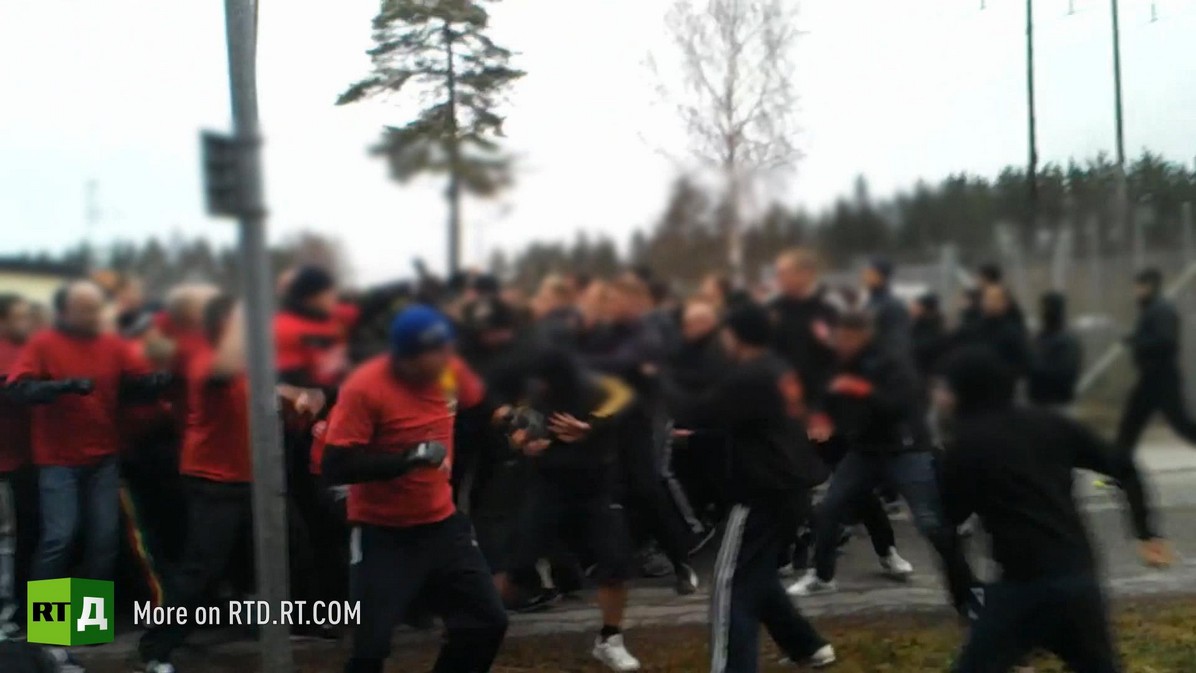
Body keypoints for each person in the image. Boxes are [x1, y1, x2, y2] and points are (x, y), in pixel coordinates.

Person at [936, 346, 1170, 673]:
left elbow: (947, 521)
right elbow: (1124, 466)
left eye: (944, 388)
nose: (938, 396)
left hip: (1022, 590)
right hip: (1077, 579)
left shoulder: (964, 445)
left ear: (965, 390)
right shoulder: (1049, 423)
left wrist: (964, 591)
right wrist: (1146, 532)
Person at [138, 296, 327, 673]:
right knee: (199, 568)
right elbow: (219, 374)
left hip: (252, 477)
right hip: (209, 478)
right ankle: (151, 649)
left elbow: (264, 390)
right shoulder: (204, 356)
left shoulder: (246, 362)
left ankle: (298, 619)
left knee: (294, 546)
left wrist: (299, 396)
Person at [322, 306, 508, 673]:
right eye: (435, 353)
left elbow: (483, 404)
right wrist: (406, 460)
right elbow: (336, 466)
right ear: (407, 358)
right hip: (383, 533)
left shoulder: (450, 370)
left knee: (486, 623)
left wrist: (513, 423)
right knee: (370, 648)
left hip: (442, 524)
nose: (447, 360)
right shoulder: (365, 387)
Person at [668, 304, 835, 672]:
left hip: (761, 494)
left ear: (736, 336)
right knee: (756, 577)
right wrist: (693, 440)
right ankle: (807, 646)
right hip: (788, 488)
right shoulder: (776, 369)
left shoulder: (748, 377)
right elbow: (751, 428)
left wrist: (651, 382)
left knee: (729, 587)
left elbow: (697, 408)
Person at [788, 312, 976, 617]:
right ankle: (821, 576)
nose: (842, 344)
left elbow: (899, 405)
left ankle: (968, 591)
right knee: (830, 508)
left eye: (847, 338)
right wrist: (822, 417)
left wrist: (863, 391)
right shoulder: (843, 363)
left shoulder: (892, 361)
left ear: (862, 334)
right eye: (839, 338)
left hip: (905, 450)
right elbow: (829, 396)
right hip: (864, 450)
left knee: (932, 523)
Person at [5, 281, 170, 584]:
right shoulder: (44, 344)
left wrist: (163, 380)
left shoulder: (112, 345)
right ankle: (51, 622)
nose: (93, 316)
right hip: (57, 458)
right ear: (66, 312)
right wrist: (60, 386)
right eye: (84, 310)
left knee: (103, 539)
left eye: (96, 309)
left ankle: (87, 621)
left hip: (103, 455)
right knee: (60, 537)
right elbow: (18, 389)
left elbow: (136, 383)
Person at [495, 348, 644, 671]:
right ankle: (480, 625)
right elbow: (517, 431)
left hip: (595, 486)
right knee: (518, 563)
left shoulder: (596, 387)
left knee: (614, 562)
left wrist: (589, 427)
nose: (541, 388)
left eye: (546, 382)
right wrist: (522, 443)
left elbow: (625, 402)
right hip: (548, 486)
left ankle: (610, 639)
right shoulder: (534, 393)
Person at [1112, 268, 1196, 540]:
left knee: (1181, 424)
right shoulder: (1152, 309)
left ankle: (1116, 464)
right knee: (1129, 426)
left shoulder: (1161, 310)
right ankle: (1115, 466)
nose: (1136, 290)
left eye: (1139, 285)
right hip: (1151, 378)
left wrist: (1137, 340)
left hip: (1161, 379)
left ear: (1150, 286)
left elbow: (1166, 342)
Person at [0, 294, 35, 635]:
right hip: (6, 462)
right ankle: (8, 618)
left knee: (44, 539)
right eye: (19, 317)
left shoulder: (36, 347)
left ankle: (70, 623)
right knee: (7, 541)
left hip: (36, 459)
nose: (27, 322)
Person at [1028, 292, 1082, 410]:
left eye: (1048, 308)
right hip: (1038, 400)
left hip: (1058, 402)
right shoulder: (1040, 336)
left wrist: (1030, 367)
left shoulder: (1067, 340)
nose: (1045, 312)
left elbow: (1064, 372)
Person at [861, 257, 912, 360]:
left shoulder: (892, 306)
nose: (865, 277)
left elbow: (897, 342)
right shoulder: (870, 302)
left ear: (882, 276)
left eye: (870, 273)